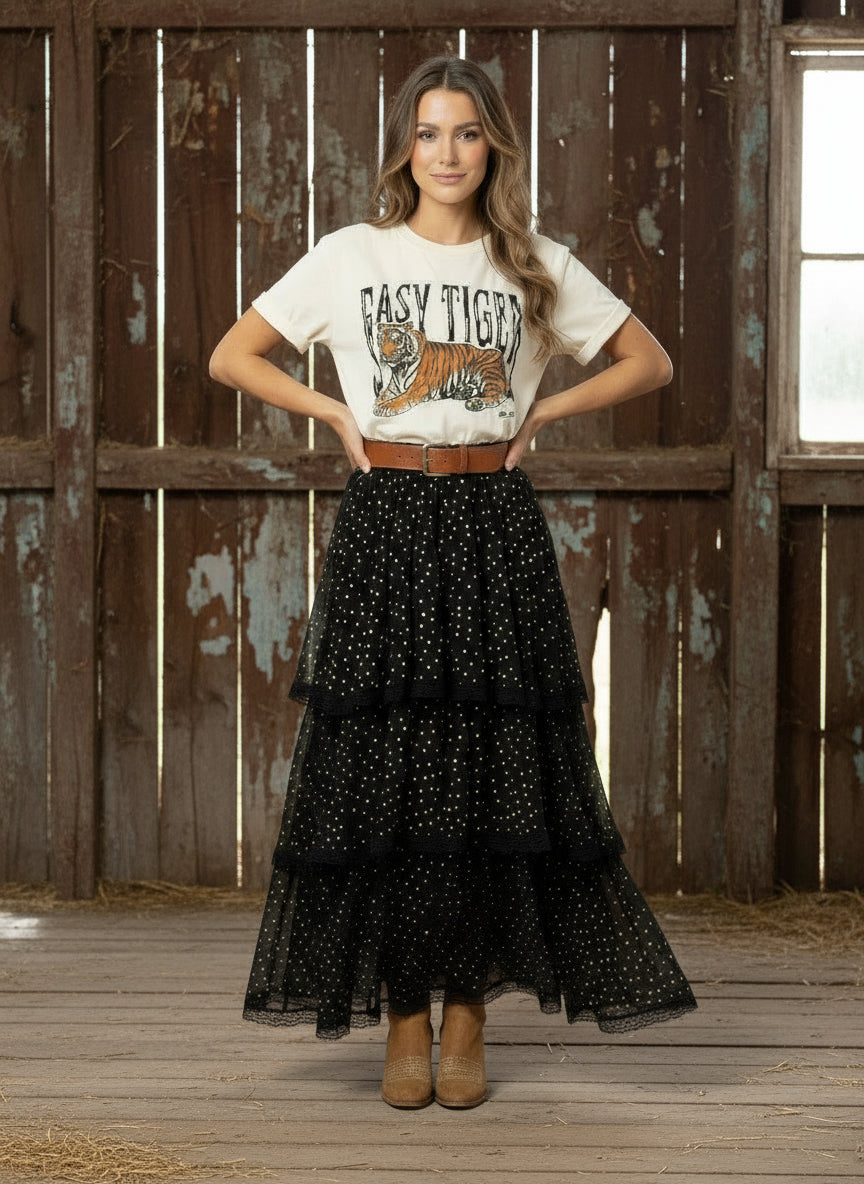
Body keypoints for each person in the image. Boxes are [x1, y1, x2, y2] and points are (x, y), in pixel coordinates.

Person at [210, 55, 697, 1111]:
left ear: (494, 147)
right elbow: (233, 353)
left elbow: (647, 360)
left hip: (491, 524)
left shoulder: (533, 262)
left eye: (465, 134)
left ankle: (467, 1010)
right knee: (386, 764)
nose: (444, 154)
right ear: (404, 148)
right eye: (427, 134)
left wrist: (542, 417)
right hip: (387, 518)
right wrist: (337, 415)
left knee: (489, 765)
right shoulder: (352, 256)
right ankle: (400, 1012)